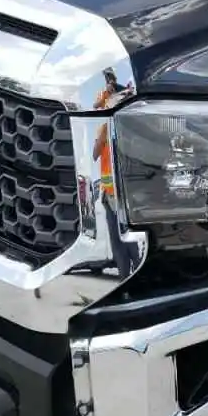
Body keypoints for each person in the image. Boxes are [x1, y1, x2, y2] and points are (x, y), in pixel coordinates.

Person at [92, 69, 133, 279]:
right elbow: (95, 154)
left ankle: (134, 275)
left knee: (129, 238)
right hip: (109, 193)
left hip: (125, 193)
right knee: (117, 239)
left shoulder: (127, 126)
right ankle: (125, 277)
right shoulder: (104, 127)